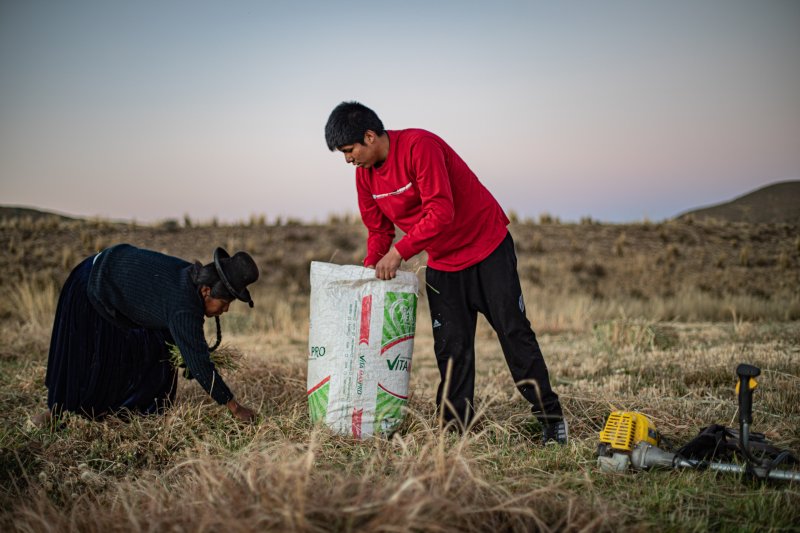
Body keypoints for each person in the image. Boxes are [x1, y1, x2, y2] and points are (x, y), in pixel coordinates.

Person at [324, 101, 568, 444]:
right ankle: (455, 431)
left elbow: (441, 211)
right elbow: (378, 231)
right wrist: (369, 273)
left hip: (487, 248)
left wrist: (399, 253)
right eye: (343, 154)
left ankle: (551, 419)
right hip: (442, 263)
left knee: (514, 333)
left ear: (369, 136)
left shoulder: (419, 146)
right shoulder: (364, 177)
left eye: (350, 150)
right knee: (452, 350)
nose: (348, 159)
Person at [38, 244, 259, 426]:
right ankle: (55, 414)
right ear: (206, 291)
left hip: (109, 275)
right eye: (225, 303)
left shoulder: (191, 277)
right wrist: (235, 407)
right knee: (86, 360)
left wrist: (188, 357)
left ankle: (135, 411)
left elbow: (187, 343)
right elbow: (200, 361)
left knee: (153, 348)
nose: (226, 310)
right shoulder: (184, 306)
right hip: (91, 284)